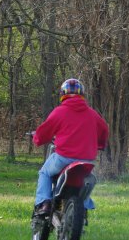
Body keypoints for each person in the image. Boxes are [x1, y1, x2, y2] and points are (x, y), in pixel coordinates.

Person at [31, 78, 109, 217]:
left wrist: (37, 138)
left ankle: (44, 202)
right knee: (84, 179)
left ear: (62, 94)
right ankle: (83, 206)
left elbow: (44, 132)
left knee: (44, 173)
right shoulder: (92, 114)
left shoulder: (59, 112)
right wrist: (100, 144)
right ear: (82, 94)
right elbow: (104, 129)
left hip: (63, 158)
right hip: (87, 161)